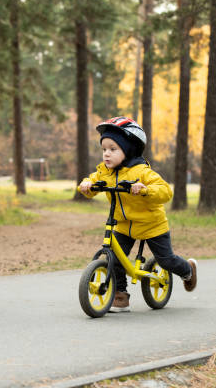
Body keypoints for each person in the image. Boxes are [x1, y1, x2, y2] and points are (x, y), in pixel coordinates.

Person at [78, 116, 197, 312]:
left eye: (113, 149)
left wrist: (144, 190)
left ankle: (188, 270)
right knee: (114, 258)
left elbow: (165, 191)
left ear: (129, 149)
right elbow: (92, 182)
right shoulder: (104, 173)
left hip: (152, 225)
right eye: (104, 149)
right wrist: (87, 185)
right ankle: (120, 296)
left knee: (166, 260)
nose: (106, 154)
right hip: (124, 225)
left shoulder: (142, 172)